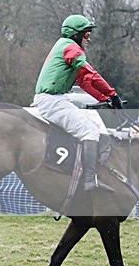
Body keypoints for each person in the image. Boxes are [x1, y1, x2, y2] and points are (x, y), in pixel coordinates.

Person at [33, 14, 122, 193]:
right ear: (76, 35)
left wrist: (106, 99)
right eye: (87, 35)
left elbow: (85, 82)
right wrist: (112, 94)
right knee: (90, 131)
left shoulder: (65, 46)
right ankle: (90, 181)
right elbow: (90, 73)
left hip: (55, 99)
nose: (88, 39)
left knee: (94, 128)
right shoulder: (72, 48)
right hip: (52, 101)